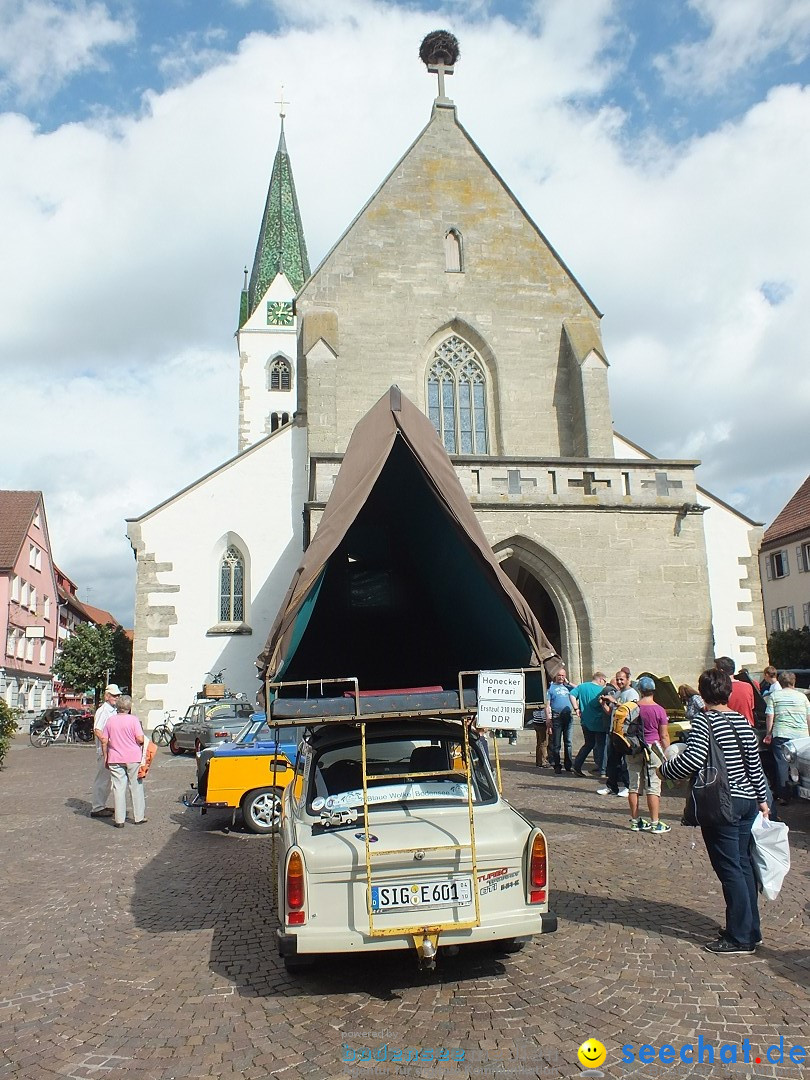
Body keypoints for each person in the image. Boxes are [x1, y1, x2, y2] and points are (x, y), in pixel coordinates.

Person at [659, 668, 769, 954]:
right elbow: (754, 765)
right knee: (744, 866)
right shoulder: (742, 722)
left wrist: (664, 769)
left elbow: (692, 760)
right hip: (746, 801)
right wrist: (762, 799)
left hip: (722, 802)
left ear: (703, 693)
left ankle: (740, 937)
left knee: (730, 868)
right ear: (728, 693)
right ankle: (749, 928)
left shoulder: (704, 722)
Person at [626, 676, 670, 833]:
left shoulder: (632, 707)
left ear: (640, 690)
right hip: (652, 748)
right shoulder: (659, 709)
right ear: (653, 691)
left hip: (633, 748)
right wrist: (668, 754)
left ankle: (635, 820)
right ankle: (655, 822)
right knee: (653, 786)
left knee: (634, 785)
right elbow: (664, 736)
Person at [100, 694, 146, 828]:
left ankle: (119, 819)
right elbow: (140, 739)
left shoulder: (110, 720)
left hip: (115, 757)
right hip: (133, 757)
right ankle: (139, 817)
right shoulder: (133, 720)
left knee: (118, 788)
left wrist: (106, 757)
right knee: (136, 786)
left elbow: (104, 740)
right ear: (129, 707)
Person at [764, 670, 810, 804]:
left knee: (782, 765)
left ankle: (784, 796)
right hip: (801, 736)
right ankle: (802, 792)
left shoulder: (774, 696)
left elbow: (770, 716)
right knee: (802, 765)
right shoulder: (802, 697)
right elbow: (808, 717)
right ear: (794, 682)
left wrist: (768, 733)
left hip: (782, 734)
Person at [598, 668, 636, 797]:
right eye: (618, 679)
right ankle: (611, 786)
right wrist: (603, 704)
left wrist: (614, 701)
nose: (619, 681)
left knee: (625, 762)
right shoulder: (618, 693)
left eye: (622, 679)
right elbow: (610, 712)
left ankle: (627, 786)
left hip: (625, 732)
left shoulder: (632, 694)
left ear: (628, 679)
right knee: (612, 761)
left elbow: (630, 711)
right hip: (613, 730)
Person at [90, 683, 122, 817]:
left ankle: (101, 805)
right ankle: (97, 807)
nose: (117, 697)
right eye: (114, 695)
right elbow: (97, 729)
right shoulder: (103, 710)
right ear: (107, 696)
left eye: (118, 695)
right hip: (104, 750)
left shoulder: (113, 709)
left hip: (111, 749)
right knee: (102, 779)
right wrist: (106, 741)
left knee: (108, 780)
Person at [571, 672, 608, 777]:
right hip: (598, 722)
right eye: (604, 681)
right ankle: (603, 770)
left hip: (585, 722)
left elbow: (571, 695)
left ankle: (577, 766)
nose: (604, 684)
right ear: (600, 679)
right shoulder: (601, 690)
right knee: (601, 746)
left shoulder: (582, 686)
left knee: (588, 744)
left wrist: (576, 708)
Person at [544, 669, 576, 773]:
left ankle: (568, 765)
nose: (561, 677)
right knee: (557, 744)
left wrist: (568, 682)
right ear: (555, 676)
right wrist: (548, 718)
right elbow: (547, 704)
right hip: (557, 717)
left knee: (568, 742)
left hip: (568, 716)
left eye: (563, 675)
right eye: (559, 675)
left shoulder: (568, 687)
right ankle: (557, 765)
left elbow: (579, 688)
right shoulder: (551, 688)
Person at [714, 657, 755, 726]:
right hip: (747, 726)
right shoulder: (748, 686)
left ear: (721, 671)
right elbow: (751, 707)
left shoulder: (719, 689)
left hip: (729, 727)